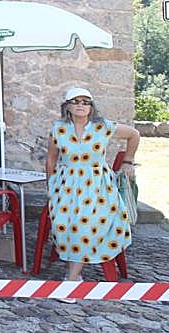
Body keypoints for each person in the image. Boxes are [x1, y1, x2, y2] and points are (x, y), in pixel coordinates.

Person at [44, 87, 139, 294]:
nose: (80, 105)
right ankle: (75, 274)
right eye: (75, 101)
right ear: (67, 106)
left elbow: (134, 135)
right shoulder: (58, 129)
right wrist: (50, 185)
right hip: (66, 185)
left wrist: (128, 162)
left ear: (91, 107)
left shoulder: (102, 127)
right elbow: (51, 158)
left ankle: (70, 282)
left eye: (85, 102)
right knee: (65, 226)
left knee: (83, 226)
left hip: (97, 187)